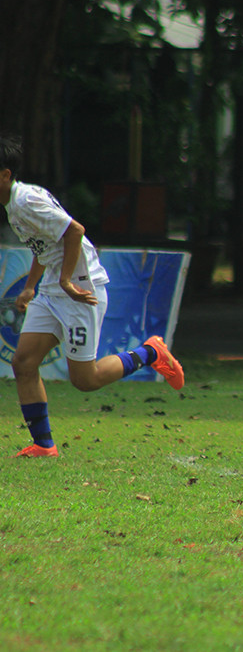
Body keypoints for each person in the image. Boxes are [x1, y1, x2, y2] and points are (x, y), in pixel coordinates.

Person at [0, 135, 184, 458]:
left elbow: (75, 231)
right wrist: (30, 286)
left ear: (5, 175)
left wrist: (69, 281)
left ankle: (150, 353)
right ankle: (45, 445)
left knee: (86, 380)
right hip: (52, 290)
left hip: (81, 289)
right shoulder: (13, 205)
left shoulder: (26, 201)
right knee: (24, 361)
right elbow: (45, 246)